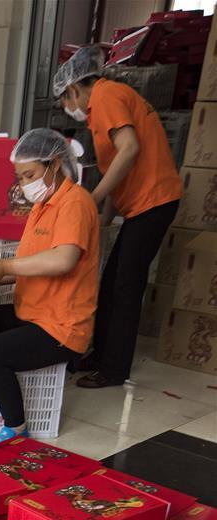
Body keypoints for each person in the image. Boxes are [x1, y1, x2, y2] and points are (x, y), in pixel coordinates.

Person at [54, 45, 182, 389]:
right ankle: (101, 356)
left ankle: (114, 369)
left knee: (125, 287)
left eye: (66, 102)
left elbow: (130, 149)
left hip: (153, 202)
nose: (69, 109)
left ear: (74, 89)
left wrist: (90, 199)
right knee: (111, 283)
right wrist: (103, 217)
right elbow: (118, 169)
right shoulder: (106, 102)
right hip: (142, 204)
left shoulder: (106, 97)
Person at [0, 129, 99, 446]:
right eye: (21, 177)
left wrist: (5, 266)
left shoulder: (74, 203)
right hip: (32, 311)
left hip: (61, 326)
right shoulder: (44, 206)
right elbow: (33, 265)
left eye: (29, 175)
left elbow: (64, 260)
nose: (24, 184)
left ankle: (15, 428)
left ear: (54, 164)